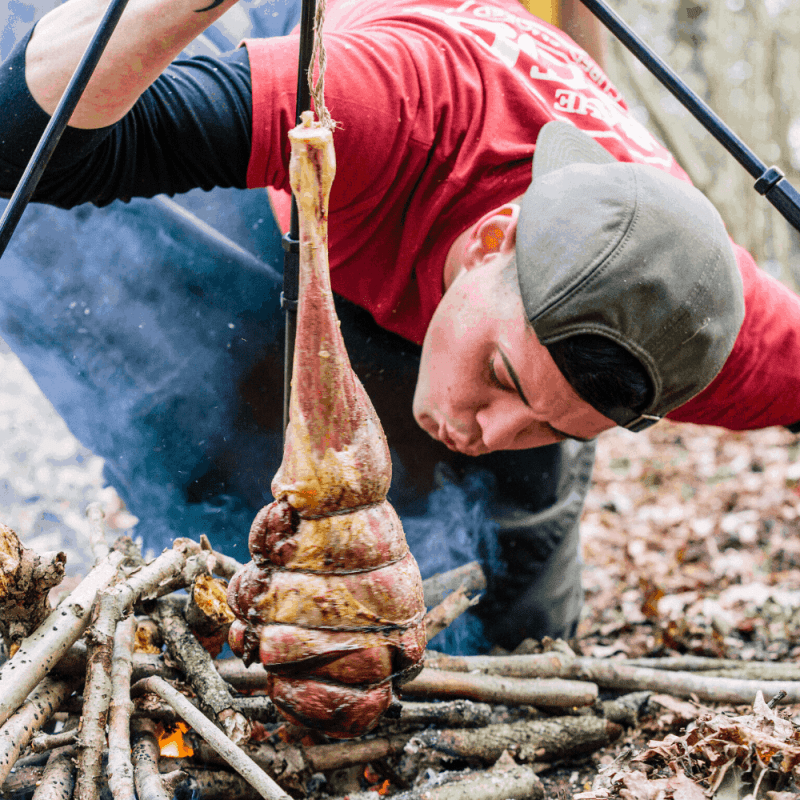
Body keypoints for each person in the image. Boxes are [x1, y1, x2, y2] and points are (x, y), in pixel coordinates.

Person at [0, 0, 798, 654]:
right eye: (504, 379)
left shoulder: (705, 329)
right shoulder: (379, 108)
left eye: (556, 427)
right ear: (492, 241)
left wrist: (530, 401)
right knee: (210, 434)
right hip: (348, 169)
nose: (491, 430)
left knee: (512, 646)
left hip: (452, 261)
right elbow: (33, 143)